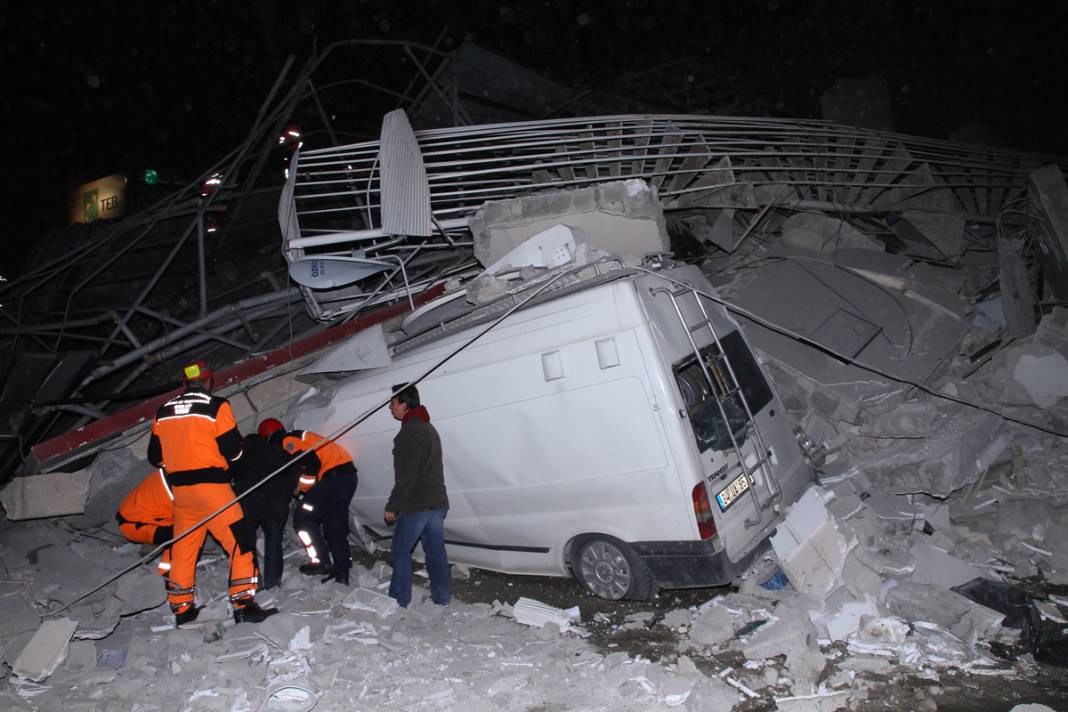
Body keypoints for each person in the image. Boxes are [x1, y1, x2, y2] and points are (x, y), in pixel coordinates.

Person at [147, 359, 276, 626]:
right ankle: (243, 605)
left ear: (184, 383)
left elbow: (155, 457)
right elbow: (233, 450)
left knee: (183, 550)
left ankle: (183, 611)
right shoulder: (216, 406)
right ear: (209, 381)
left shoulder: (163, 411)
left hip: (182, 493)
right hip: (213, 490)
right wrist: (238, 466)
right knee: (241, 544)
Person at [260, 419, 357, 586]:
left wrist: (300, 488)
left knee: (303, 519)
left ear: (268, 437)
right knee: (333, 524)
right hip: (344, 477)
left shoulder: (287, 441)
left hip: (333, 478)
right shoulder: (301, 437)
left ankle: (321, 562)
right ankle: (342, 569)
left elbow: (312, 463)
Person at [384, 384, 450, 608]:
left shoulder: (409, 432)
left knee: (400, 550)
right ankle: (442, 598)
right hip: (437, 501)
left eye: (392, 403)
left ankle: (398, 599)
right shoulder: (428, 427)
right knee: (435, 551)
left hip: (417, 504)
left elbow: (406, 476)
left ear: (403, 405)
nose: (390, 408)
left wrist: (393, 504)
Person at [228, 423, 303, 590]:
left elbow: (225, 477)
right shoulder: (276, 451)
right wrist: (285, 491)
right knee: (273, 542)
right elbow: (296, 466)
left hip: (248, 506)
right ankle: (273, 583)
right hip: (275, 504)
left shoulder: (239, 457)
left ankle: (255, 581)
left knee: (248, 545)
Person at [115, 468, 174, 577]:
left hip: (142, 514)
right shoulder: (189, 488)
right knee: (183, 535)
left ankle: (153, 545)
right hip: (134, 524)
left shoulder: (179, 465)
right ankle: (168, 574)